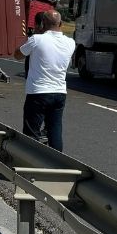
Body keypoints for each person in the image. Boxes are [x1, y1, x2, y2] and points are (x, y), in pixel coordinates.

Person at [14, 10, 76, 152]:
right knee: (55, 131)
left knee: (32, 133)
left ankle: (32, 164)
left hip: (39, 92)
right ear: (61, 23)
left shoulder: (37, 39)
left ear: (43, 24)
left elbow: (17, 55)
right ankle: (57, 164)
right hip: (59, 92)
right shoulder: (70, 43)